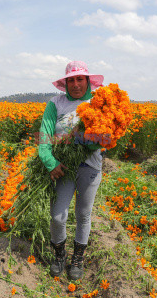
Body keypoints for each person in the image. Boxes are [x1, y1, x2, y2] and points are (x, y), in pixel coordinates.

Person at [38, 61, 104, 280]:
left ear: (87, 81)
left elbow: (105, 140)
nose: (76, 84)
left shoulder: (99, 103)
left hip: (90, 166)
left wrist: (83, 137)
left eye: (80, 79)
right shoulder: (55, 104)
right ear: (65, 83)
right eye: (71, 80)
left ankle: (77, 258)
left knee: (83, 215)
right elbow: (45, 137)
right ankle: (59, 255)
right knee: (58, 216)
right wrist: (50, 163)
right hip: (62, 167)